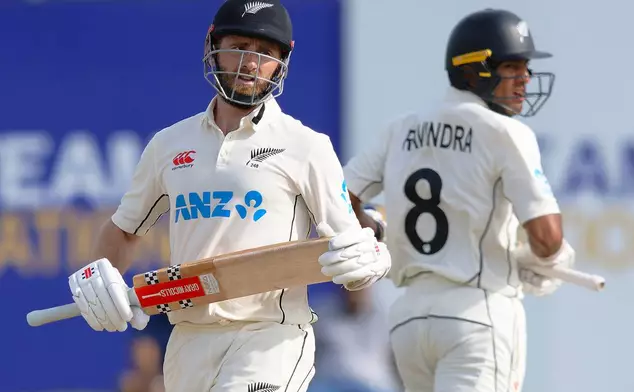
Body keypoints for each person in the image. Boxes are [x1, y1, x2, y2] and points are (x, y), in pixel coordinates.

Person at [65, 1, 391, 391]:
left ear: (282, 62)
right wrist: (101, 276)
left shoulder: (306, 146)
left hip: (269, 337)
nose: (250, 63)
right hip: (187, 341)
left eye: (265, 54)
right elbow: (124, 230)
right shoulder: (168, 145)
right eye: (238, 46)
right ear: (212, 46)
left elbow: (348, 246)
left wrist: (371, 259)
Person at [343, 8, 576, 392]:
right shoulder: (506, 132)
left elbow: (340, 196)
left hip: (409, 320)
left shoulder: (400, 128)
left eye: (525, 69)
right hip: (478, 313)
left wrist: (369, 226)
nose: (525, 80)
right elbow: (547, 237)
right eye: (512, 68)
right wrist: (545, 260)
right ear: (473, 71)